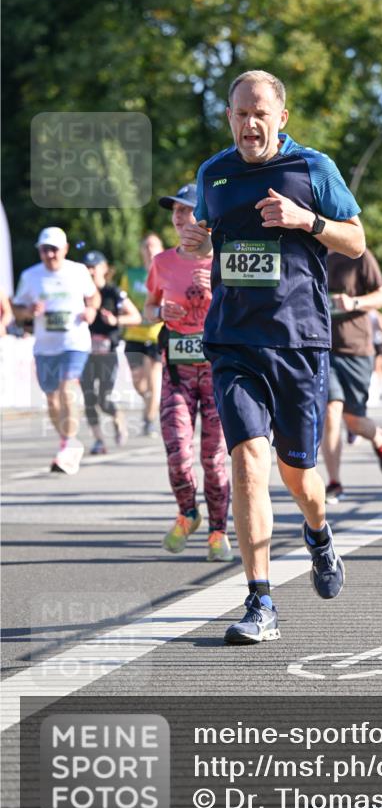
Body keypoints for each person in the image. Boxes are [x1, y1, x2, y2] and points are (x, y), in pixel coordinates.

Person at [182, 69, 365, 644]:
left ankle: (319, 533)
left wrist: (306, 220)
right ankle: (260, 601)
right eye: (240, 113)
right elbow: (209, 237)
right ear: (229, 117)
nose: (249, 123)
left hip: (298, 340)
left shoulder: (314, 168)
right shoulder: (213, 173)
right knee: (246, 463)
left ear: (281, 118)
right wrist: (197, 245)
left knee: (300, 476)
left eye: (260, 112)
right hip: (233, 340)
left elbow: (356, 240)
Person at [144, 185, 232, 562]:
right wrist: (161, 314)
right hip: (177, 372)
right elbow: (148, 308)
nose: (180, 218)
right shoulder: (162, 262)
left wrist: (219, 290)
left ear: (206, 219)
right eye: (175, 212)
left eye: (187, 211)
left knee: (213, 457)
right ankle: (187, 512)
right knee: (177, 451)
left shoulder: (223, 260)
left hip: (216, 371)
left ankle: (218, 530)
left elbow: (245, 307)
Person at [11, 226, 99, 474]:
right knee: (51, 397)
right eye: (44, 249)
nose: (49, 254)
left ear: (65, 249)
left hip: (75, 341)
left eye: (54, 249)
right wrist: (28, 312)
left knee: (67, 387)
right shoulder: (30, 276)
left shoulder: (78, 271)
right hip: (45, 346)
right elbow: (17, 307)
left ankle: (69, 445)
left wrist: (91, 310)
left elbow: (93, 297)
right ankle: (66, 441)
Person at [321, 249, 382, 503]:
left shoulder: (357, 254)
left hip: (356, 350)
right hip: (322, 348)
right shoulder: (309, 250)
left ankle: (379, 437)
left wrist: (354, 302)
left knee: (354, 422)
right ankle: (334, 482)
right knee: (331, 411)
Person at [81, 250, 142, 454]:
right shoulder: (79, 294)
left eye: (94, 267)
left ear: (104, 269)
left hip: (108, 352)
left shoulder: (112, 292)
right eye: (87, 267)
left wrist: (116, 321)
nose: (90, 271)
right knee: (88, 398)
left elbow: (136, 317)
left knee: (103, 399)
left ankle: (117, 417)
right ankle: (99, 441)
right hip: (84, 352)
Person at [120, 233, 164, 437]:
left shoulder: (167, 271)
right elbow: (122, 301)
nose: (149, 249)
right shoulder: (131, 275)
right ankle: (151, 403)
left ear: (161, 249)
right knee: (139, 382)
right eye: (146, 246)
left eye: (153, 245)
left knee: (154, 379)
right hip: (134, 334)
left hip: (156, 334)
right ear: (141, 250)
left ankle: (149, 420)